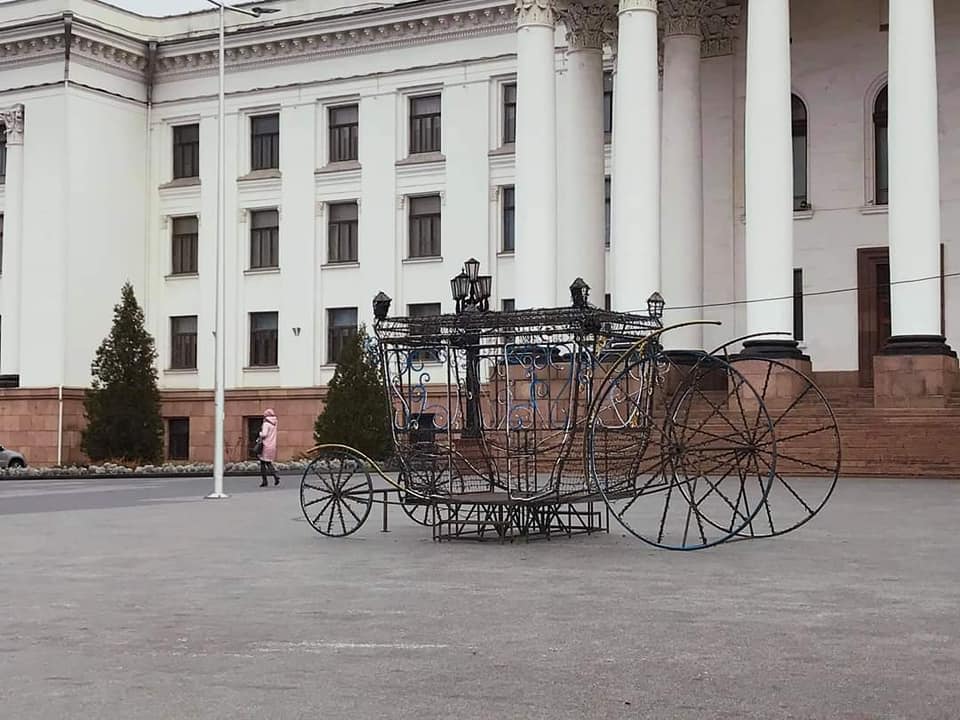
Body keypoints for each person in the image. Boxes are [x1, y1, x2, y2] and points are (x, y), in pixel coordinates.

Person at [257, 408, 280, 488]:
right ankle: (275, 476)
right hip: (272, 445)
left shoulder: (266, 424)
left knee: (263, 463)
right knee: (268, 462)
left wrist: (260, 433)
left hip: (265, 445)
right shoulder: (275, 423)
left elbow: (264, 434)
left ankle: (265, 481)